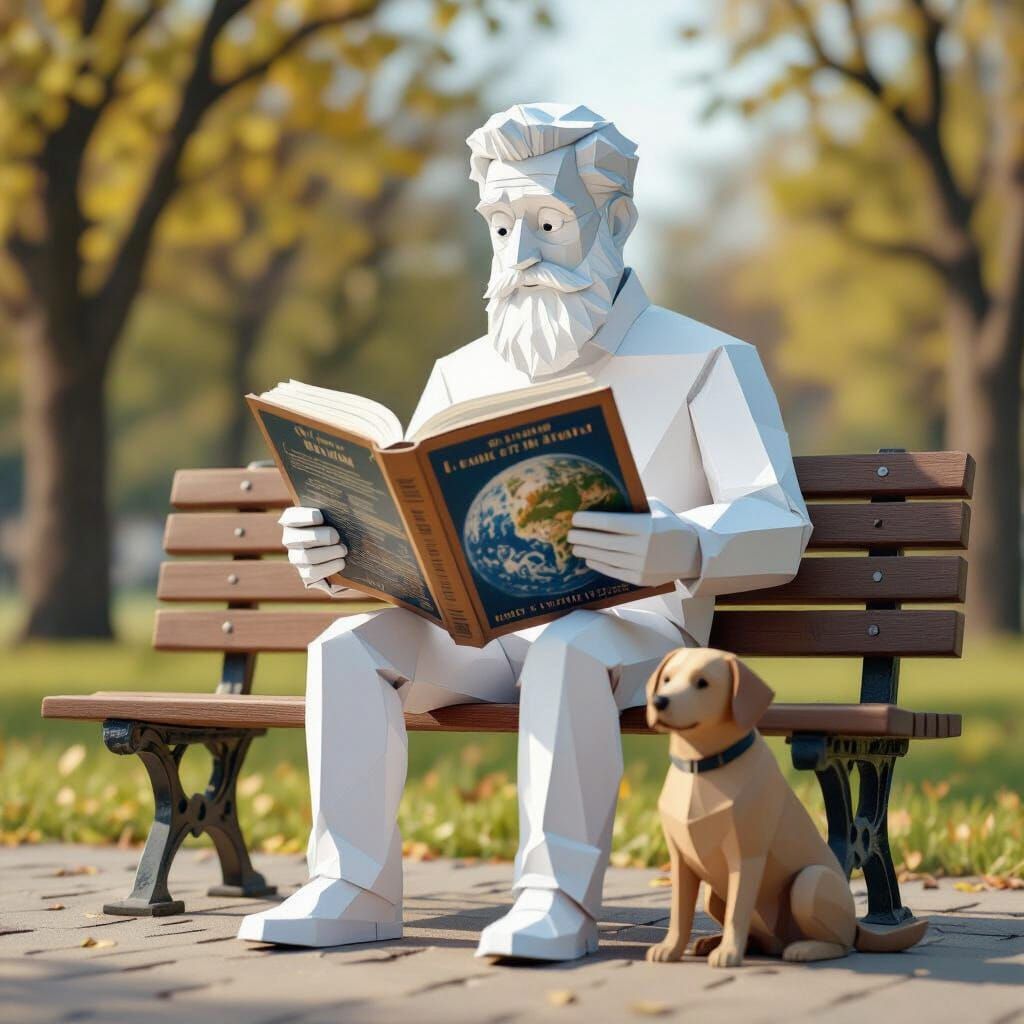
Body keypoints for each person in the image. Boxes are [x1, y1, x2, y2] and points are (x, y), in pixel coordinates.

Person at [238, 103, 812, 961]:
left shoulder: (707, 358)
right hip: (482, 632)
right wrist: (341, 551)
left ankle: (555, 900)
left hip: (636, 634)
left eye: (548, 223)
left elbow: (779, 519)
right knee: (346, 646)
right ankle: (350, 886)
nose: (520, 257)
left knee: (571, 647)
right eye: (502, 227)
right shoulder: (460, 372)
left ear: (616, 220)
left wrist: (685, 543)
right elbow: (419, 516)